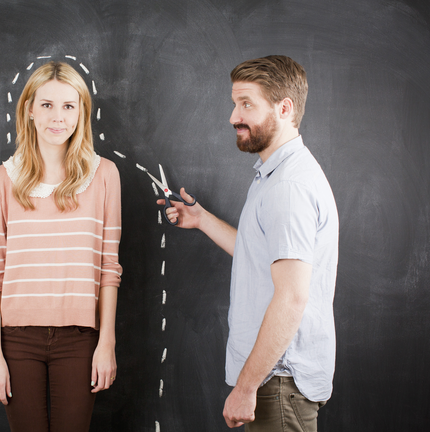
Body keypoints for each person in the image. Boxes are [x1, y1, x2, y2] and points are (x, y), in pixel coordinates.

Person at [160, 55, 338, 431]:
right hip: (275, 383)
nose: (233, 117)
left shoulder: (288, 186)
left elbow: (291, 297)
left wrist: (246, 386)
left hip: (277, 384)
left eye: (246, 104)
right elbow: (263, 255)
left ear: (284, 108)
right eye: (234, 103)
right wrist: (203, 220)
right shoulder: (275, 177)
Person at [0, 61, 122, 432]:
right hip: (16, 341)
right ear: (28, 109)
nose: (58, 117)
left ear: (82, 112)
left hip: (80, 340)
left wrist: (106, 344)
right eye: (46, 105)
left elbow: (109, 269)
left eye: (68, 106)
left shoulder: (104, 176)